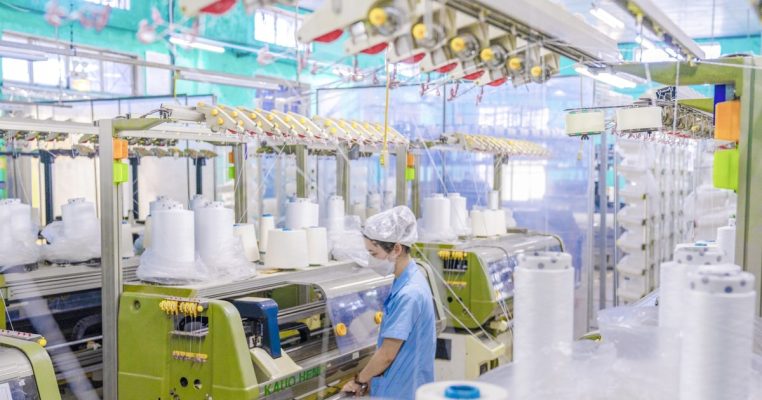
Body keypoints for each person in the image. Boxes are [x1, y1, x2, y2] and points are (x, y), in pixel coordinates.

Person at [341, 206, 436, 399]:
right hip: (403, 385)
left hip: (403, 391)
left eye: (374, 254)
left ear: (397, 249)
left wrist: (359, 381)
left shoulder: (409, 294)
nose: (370, 261)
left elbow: (387, 355)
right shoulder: (409, 279)